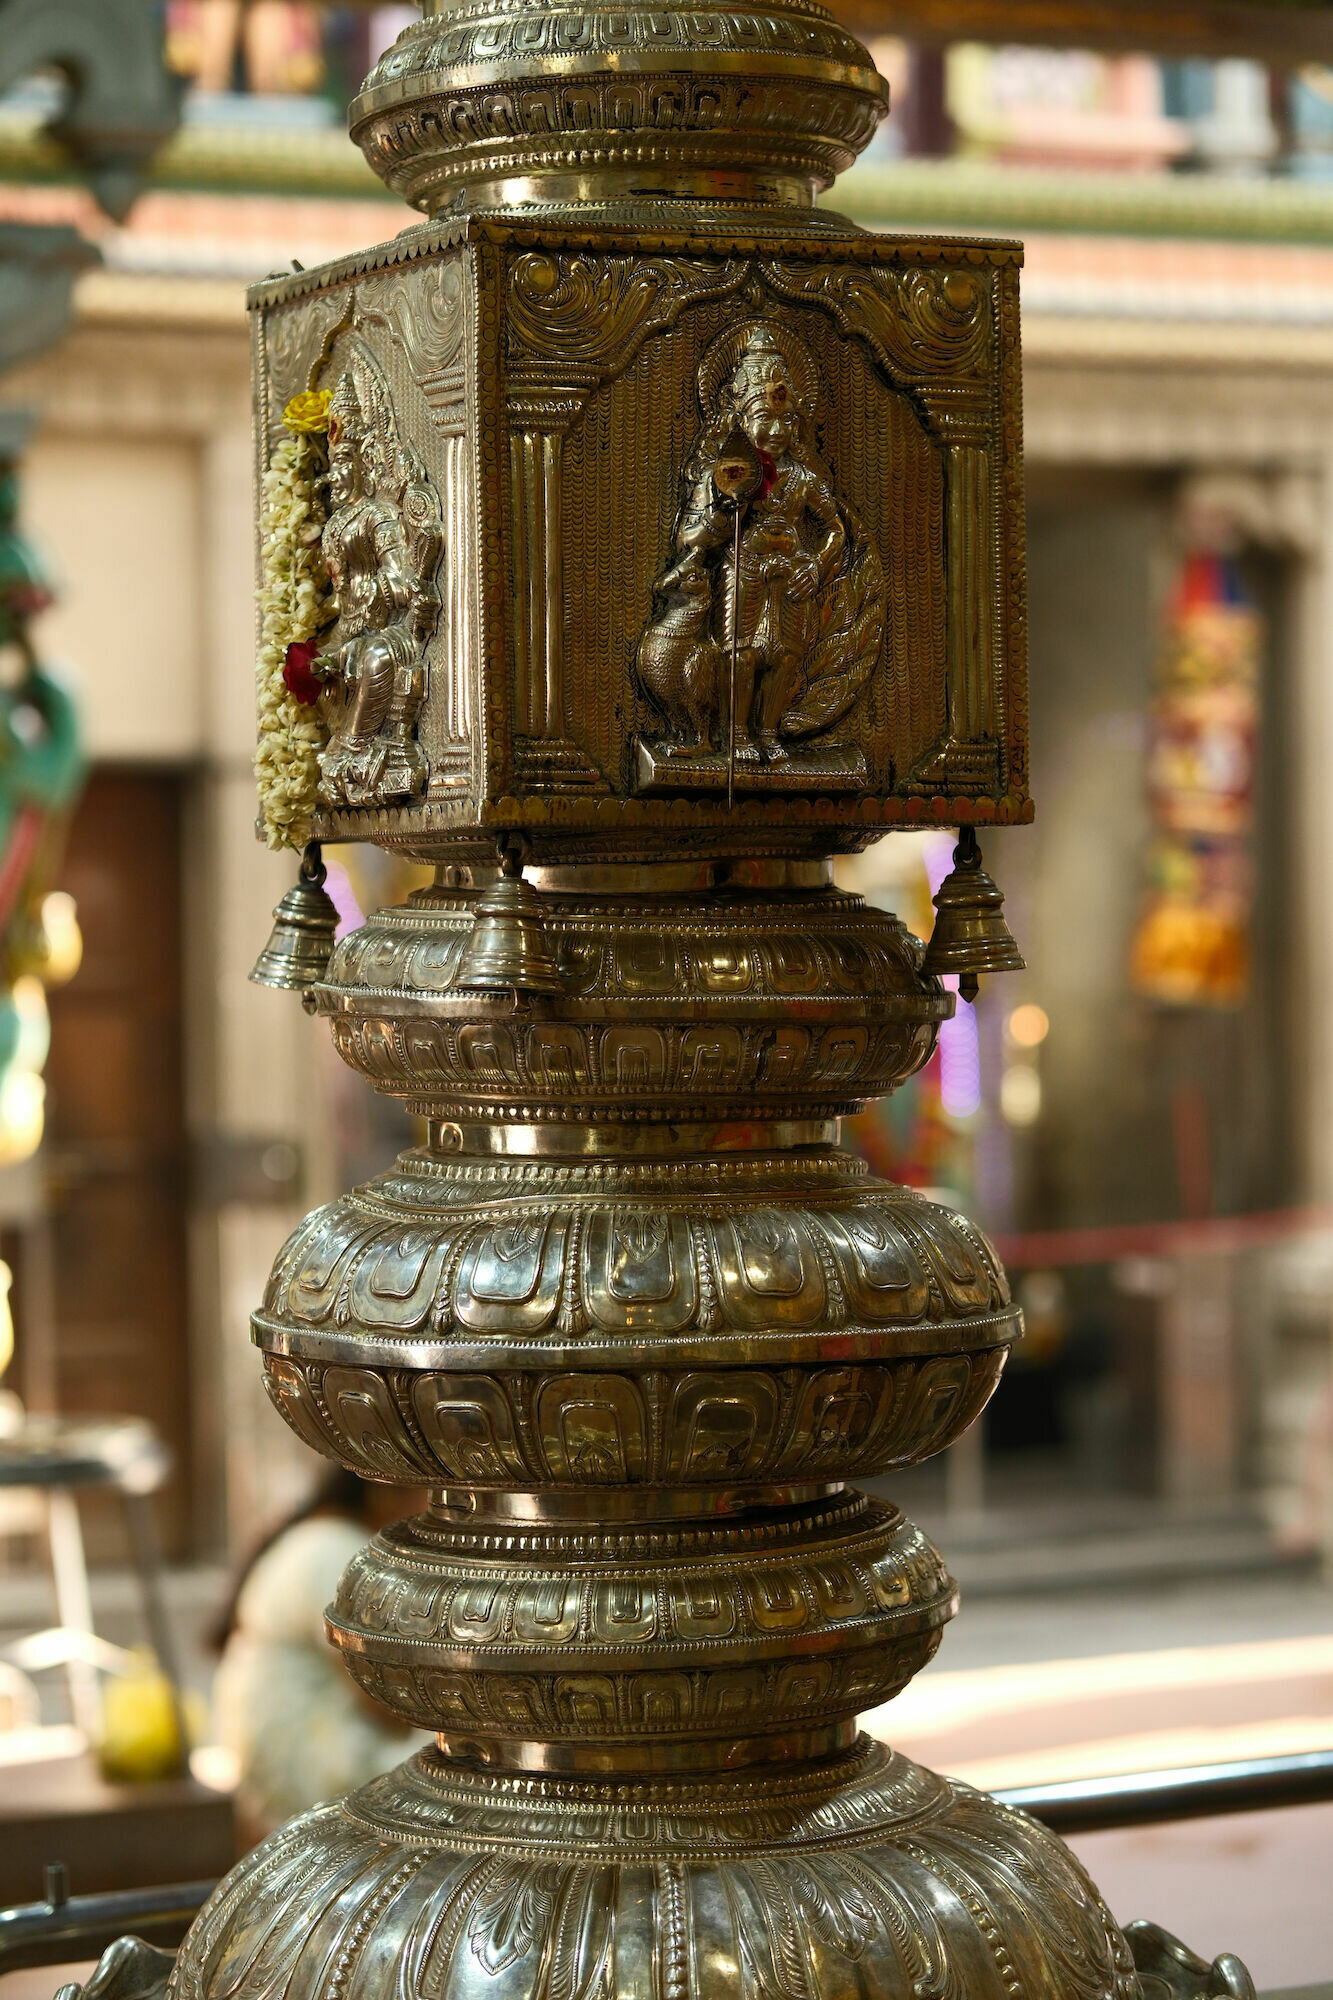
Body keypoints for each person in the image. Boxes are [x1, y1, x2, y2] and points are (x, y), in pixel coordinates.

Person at [212, 1467, 427, 1840]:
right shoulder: (335, 1549)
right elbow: (382, 1701)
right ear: (384, 1494)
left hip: (276, 1757)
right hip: (304, 1762)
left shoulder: (317, 1539)